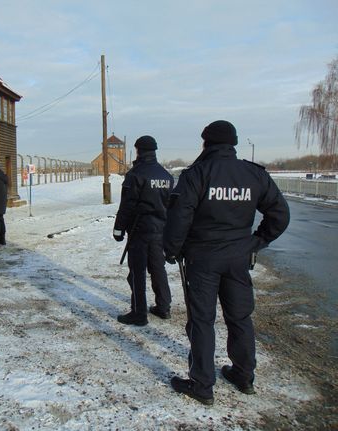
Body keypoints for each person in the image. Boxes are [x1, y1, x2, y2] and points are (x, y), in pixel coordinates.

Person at [163, 120, 290, 405]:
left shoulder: (197, 174)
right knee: (240, 317)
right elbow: (280, 215)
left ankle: (202, 385)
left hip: (202, 259)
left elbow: (179, 216)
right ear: (232, 143)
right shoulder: (253, 174)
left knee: (202, 321)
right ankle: (244, 376)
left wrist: (171, 250)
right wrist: (256, 242)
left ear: (206, 143)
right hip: (238, 258)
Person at [113, 136, 174, 326]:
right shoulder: (166, 175)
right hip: (160, 230)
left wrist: (118, 228)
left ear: (138, 151)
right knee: (158, 268)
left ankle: (139, 313)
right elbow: (171, 205)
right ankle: (163, 307)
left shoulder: (135, 175)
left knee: (137, 272)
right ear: (155, 151)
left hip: (139, 230)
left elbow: (127, 205)